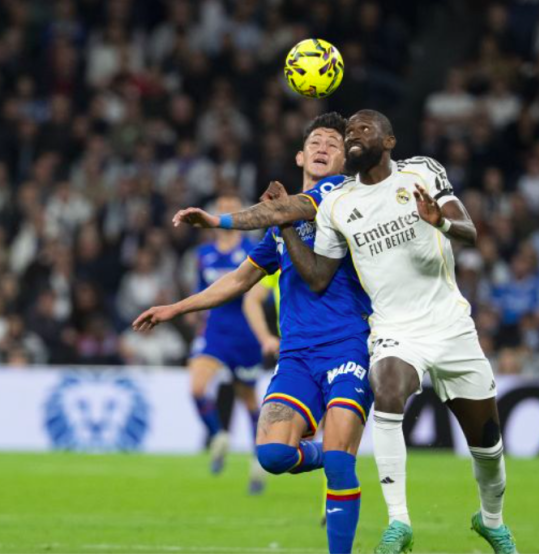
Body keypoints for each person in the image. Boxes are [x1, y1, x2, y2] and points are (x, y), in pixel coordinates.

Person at [249, 110, 518, 553]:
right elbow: (317, 275)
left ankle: (492, 521)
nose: (353, 134)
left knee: (487, 446)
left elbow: (469, 231)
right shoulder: (340, 203)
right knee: (388, 387)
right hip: (393, 328)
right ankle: (399, 522)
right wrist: (274, 223)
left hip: (450, 325)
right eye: (349, 131)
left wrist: (440, 221)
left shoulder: (422, 171)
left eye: (363, 129)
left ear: (389, 140)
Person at [135, 112, 374, 554]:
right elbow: (239, 279)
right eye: (316, 142)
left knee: (342, 465)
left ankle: (338, 479)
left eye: (334, 144)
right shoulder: (283, 225)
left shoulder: (341, 195)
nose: (323, 148)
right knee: (273, 456)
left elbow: (283, 212)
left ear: (345, 160)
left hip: (347, 346)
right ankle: (326, 454)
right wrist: (175, 308)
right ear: (300, 155)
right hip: (296, 355)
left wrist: (217, 221)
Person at [186, 194, 267, 493]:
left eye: (232, 209)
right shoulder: (204, 254)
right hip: (214, 331)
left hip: (245, 334)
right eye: (222, 209)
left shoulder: (252, 249)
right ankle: (218, 435)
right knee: (196, 388)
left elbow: (261, 291)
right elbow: (200, 290)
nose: (226, 214)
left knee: (248, 399)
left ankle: (259, 459)